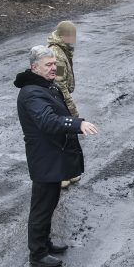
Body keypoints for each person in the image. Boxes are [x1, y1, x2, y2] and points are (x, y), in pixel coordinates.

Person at [14, 45, 99, 267]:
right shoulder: (31, 92)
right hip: (44, 157)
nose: (54, 68)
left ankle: (45, 243)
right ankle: (37, 254)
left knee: (50, 203)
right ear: (34, 67)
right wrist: (76, 124)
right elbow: (47, 121)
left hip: (52, 154)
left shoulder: (46, 86)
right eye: (48, 65)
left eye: (54, 64)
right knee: (41, 207)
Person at [47, 20, 80, 188]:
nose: (74, 39)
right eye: (71, 35)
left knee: (68, 137)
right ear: (63, 36)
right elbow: (58, 83)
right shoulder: (56, 54)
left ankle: (69, 171)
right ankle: (60, 175)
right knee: (59, 138)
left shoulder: (63, 49)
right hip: (57, 100)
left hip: (60, 98)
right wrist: (70, 106)